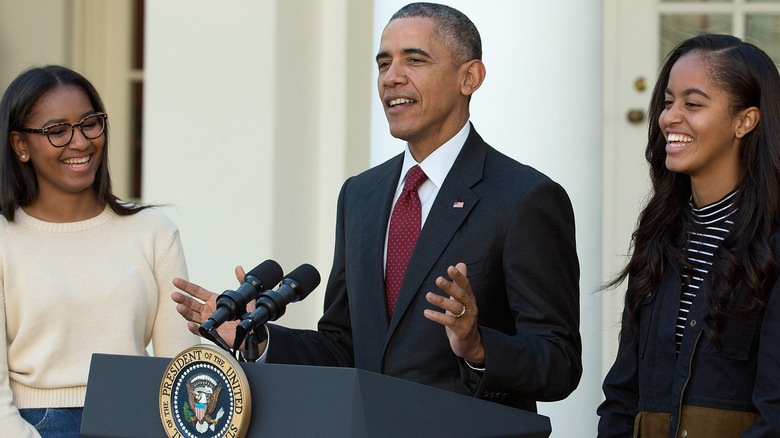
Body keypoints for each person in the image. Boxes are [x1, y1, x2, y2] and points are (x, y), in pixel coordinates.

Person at [173, 2, 581, 412]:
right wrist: (256, 334)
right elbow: (343, 347)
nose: (392, 78)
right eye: (383, 64)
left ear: (469, 77)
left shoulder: (524, 197)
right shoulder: (360, 195)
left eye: (414, 60)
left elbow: (559, 362)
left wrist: (477, 346)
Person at [0, 65, 199, 438]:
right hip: (32, 425)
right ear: (20, 145)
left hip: (137, 419)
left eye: (90, 123)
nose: (80, 142)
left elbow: (181, 370)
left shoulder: (154, 232)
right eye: (57, 131)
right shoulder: (3, 238)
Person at [597, 34, 780, 437]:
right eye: (667, 102)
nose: (669, 118)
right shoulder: (658, 237)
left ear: (744, 121)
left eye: (692, 104)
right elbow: (623, 396)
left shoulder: (772, 245)